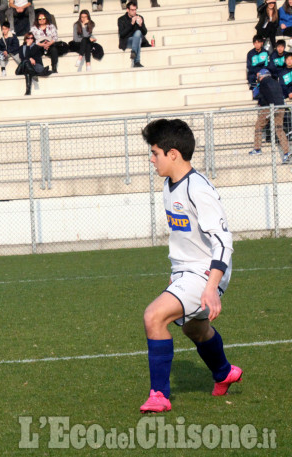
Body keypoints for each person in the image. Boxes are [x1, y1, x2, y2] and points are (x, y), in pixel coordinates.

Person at [139, 118, 241, 413]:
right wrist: (177, 276)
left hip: (207, 272)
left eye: (155, 152)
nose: (151, 158)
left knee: (154, 317)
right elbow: (185, 240)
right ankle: (224, 372)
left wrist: (211, 288)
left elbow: (223, 240)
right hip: (186, 272)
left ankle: (159, 395)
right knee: (195, 330)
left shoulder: (198, 189)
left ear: (173, 154)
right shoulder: (169, 187)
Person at [250, 68, 290, 159]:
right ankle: (286, 152)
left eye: (258, 76)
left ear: (261, 75)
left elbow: (264, 96)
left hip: (269, 107)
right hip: (280, 107)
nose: (258, 78)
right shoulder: (275, 82)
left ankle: (257, 148)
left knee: (258, 126)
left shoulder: (263, 83)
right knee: (279, 129)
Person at [117, 1, 149, 68]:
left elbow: (145, 32)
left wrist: (140, 25)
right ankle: (137, 61)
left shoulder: (140, 17)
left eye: (135, 10)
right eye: (132, 10)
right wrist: (131, 24)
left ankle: (134, 52)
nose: (134, 12)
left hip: (138, 40)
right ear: (127, 10)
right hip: (127, 41)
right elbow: (122, 34)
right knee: (137, 38)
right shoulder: (121, 19)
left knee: (138, 34)